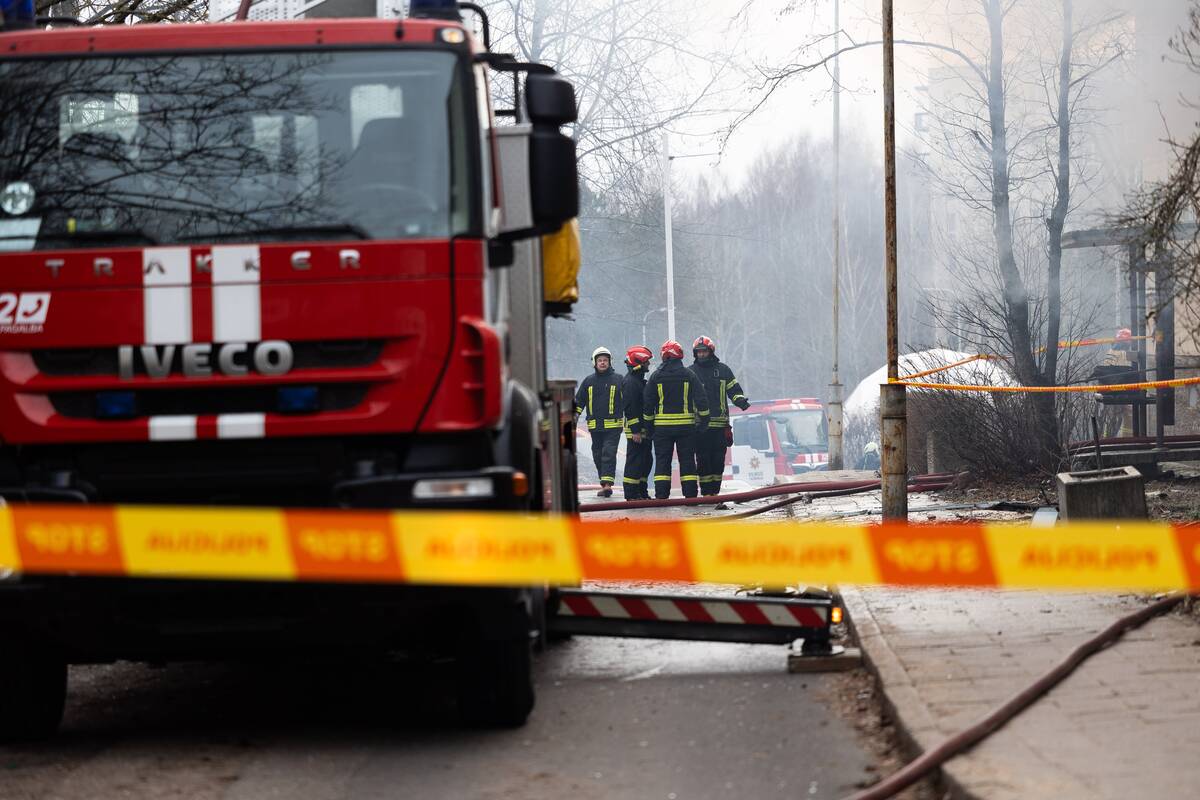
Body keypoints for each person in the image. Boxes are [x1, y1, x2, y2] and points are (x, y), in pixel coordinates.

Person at [644, 340, 710, 499]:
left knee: (662, 461)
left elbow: (648, 403)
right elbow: (701, 399)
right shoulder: (689, 375)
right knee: (687, 461)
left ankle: (661, 496)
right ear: (679, 355)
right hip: (686, 428)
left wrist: (648, 426)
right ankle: (690, 496)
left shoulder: (656, 376)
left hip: (662, 429)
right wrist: (704, 421)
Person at [689, 336, 750, 496]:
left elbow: (734, 391)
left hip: (720, 425)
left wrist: (741, 401)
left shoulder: (723, 370)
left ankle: (714, 492)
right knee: (703, 460)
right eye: (699, 352)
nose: (701, 354)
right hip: (700, 426)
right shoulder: (691, 372)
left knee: (718, 461)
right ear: (695, 354)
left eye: (704, 351)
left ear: (711, 351)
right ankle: (706, 493)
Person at [575, 346, 624, 497]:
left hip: (613, 427)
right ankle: (604, 484)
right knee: (597, 455)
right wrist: (573, 420)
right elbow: (579, 403)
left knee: (608, 453)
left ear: (610, 362)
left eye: (605, 360)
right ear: (594, 363)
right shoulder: (588, 381)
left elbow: (628, 402)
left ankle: (608, 485)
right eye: (600, 360)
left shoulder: (619, 380)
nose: (602, 363)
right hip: (595, 428)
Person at [620, 345, 655, 501]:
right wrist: (635, 430)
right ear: (639, 362)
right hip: (636, 431)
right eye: (646, 362)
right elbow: (630, 408)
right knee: (635, 462)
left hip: (643, 429)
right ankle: (631, 494)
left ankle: (641, 492)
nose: (648, 364)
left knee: (645, 462)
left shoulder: (638, 380)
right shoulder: (631, 382)